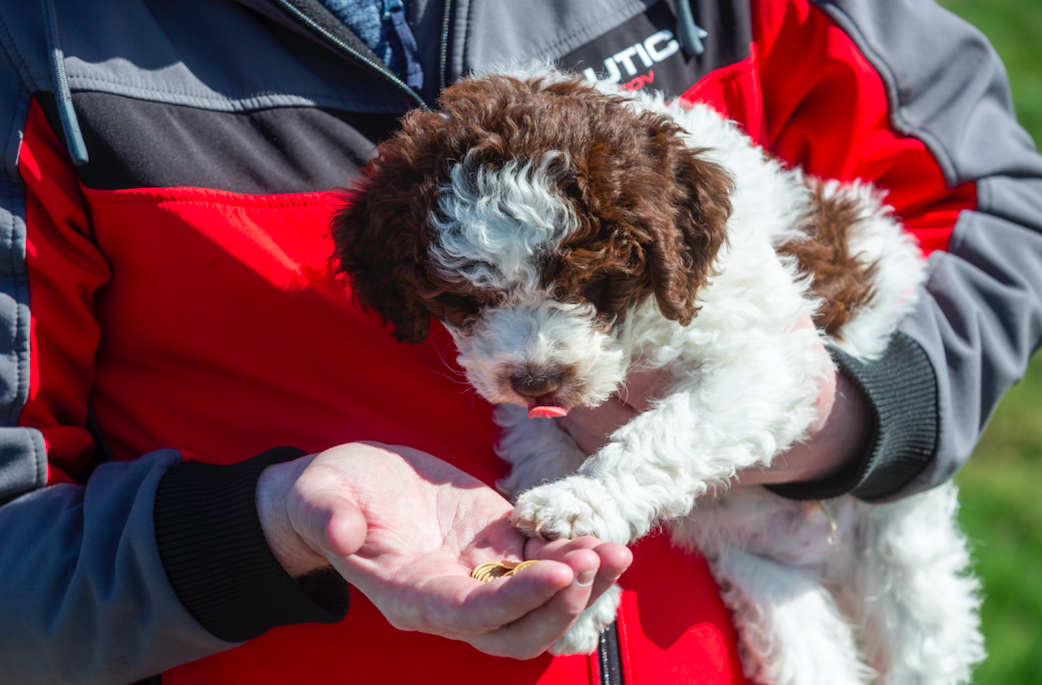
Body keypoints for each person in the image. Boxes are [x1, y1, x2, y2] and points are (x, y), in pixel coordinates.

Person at [1, 0, 1040, 683]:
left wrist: (872, 410)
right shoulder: (37, 46)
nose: (537, 360)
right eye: (469, 299)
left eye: (585, 293)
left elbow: (986, 186)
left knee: (911, 630)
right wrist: (271, 523)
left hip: (782, 538)